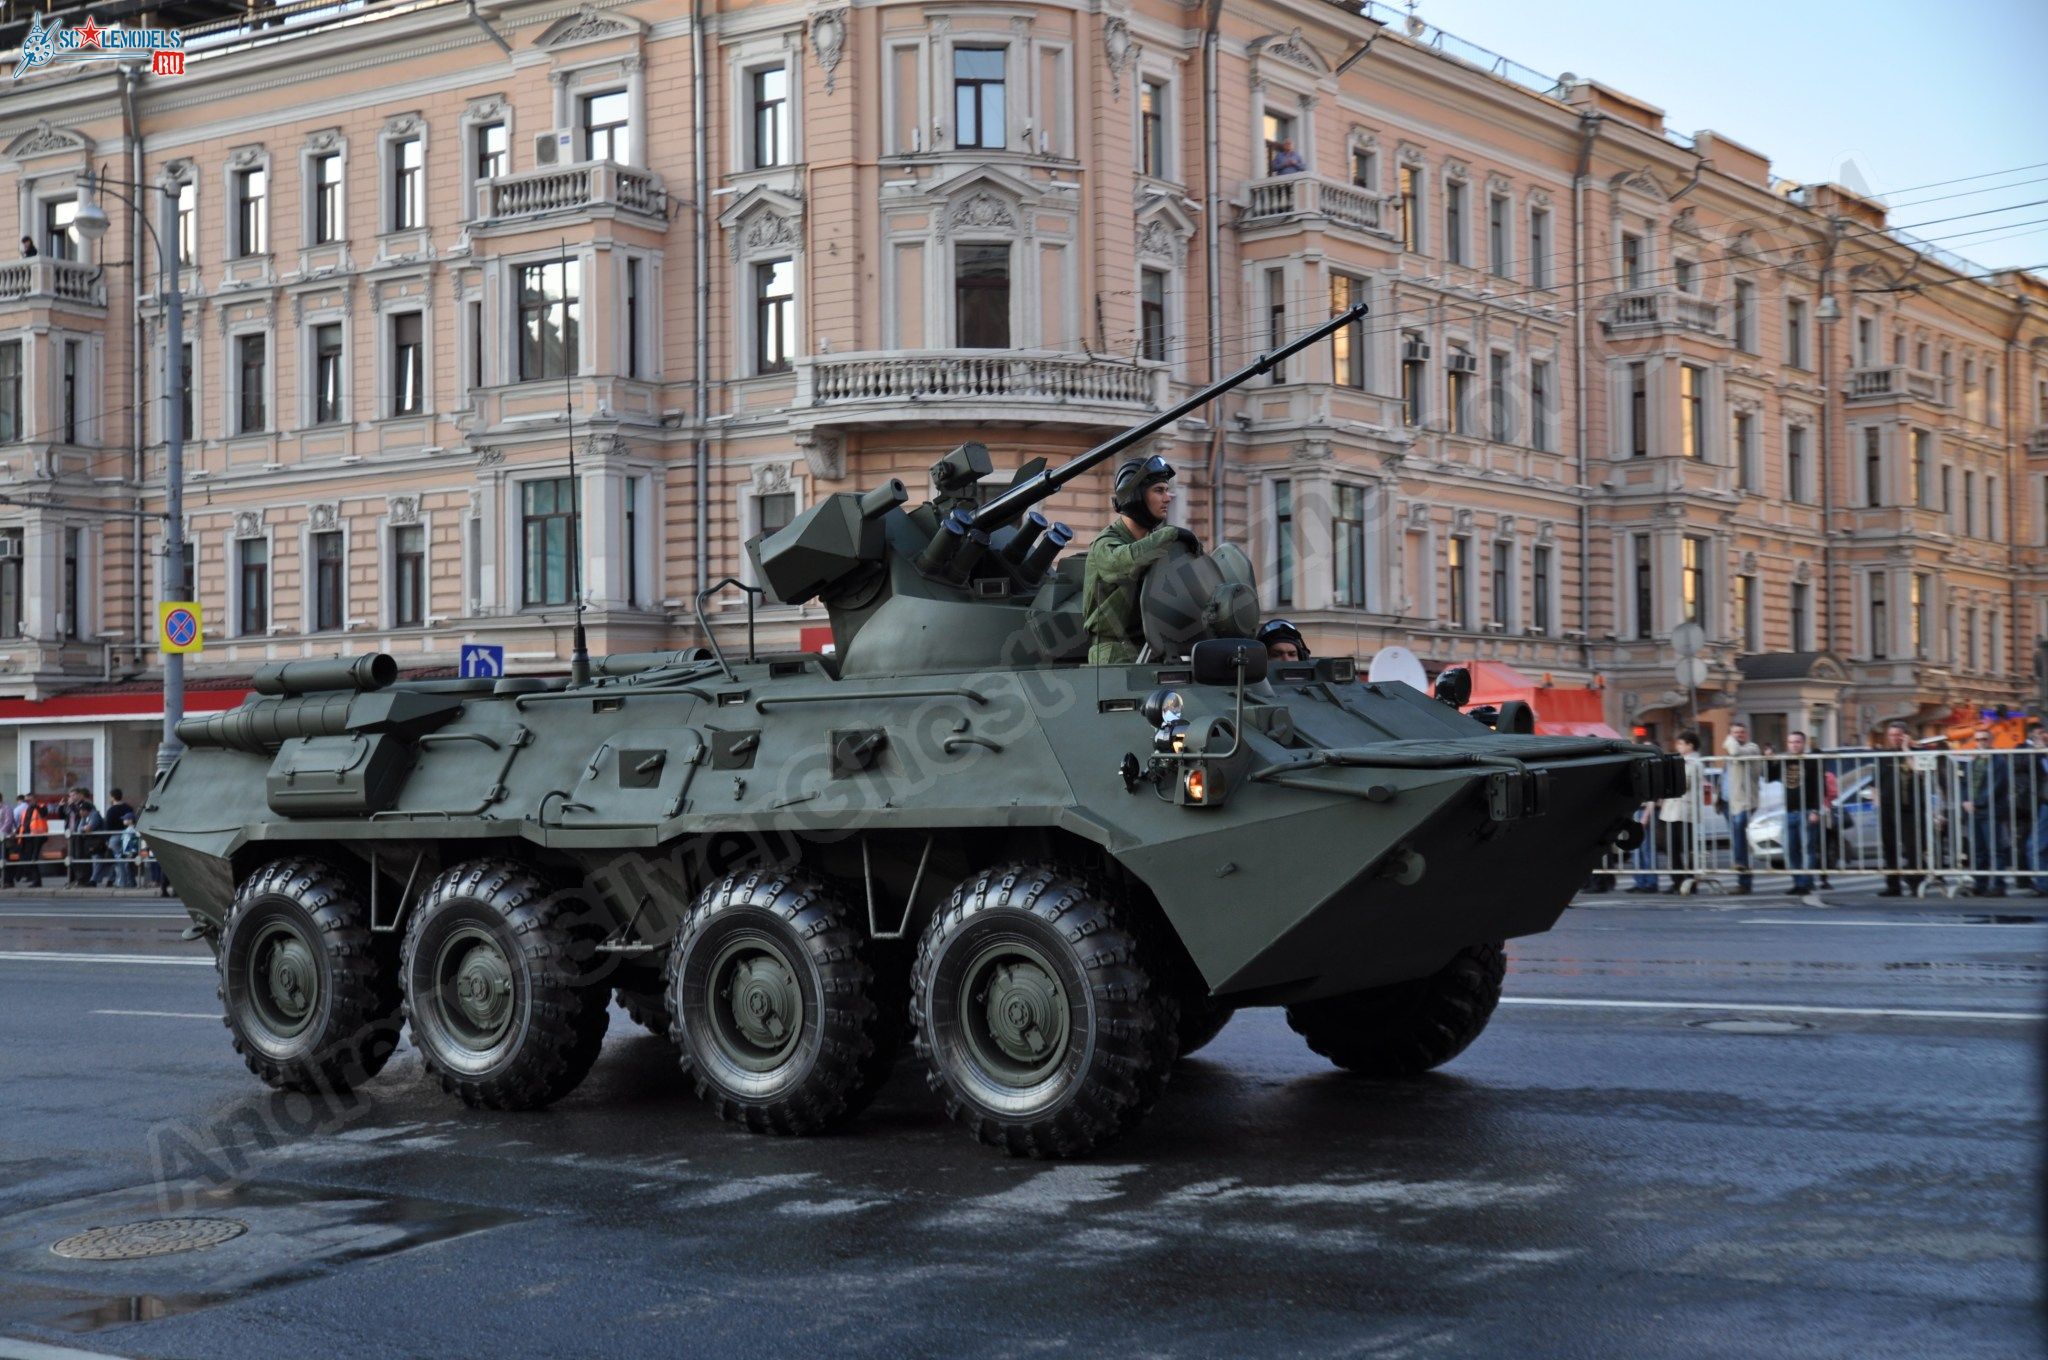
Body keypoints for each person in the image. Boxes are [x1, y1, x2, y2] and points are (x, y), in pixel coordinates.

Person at [1081, 454, 1198, 665]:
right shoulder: (1105, 544)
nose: (1168, 497)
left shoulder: (1155, 547)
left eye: (1167, 490)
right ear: (1135, 496)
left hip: (1154, 650)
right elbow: (1124, 562)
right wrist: (1170, 534)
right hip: (1113, 656)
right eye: (1159, 490)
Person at [1768, 731, 1825, 895]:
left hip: (1807, 810)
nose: (1794, 745)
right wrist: (1769, 759)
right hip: (1789, 811)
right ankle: (1798, 882)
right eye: (1791, 742)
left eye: (1797, 742)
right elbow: (1768, 776)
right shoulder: (1784, 761)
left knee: (1808, 848)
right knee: (1790, 848)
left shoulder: (1811, 762)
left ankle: (1807, 883)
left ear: (1804, 744)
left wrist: (1815, 810)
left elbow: (1819, 786)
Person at [1960, 728, 2014, 897]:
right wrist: (1965, 800)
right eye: (1978, 739)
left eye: (1984, 738)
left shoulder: (1998, 760)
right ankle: (1980, 884)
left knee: (1995, 849)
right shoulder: (1973, 759)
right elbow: (1964, 782)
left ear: (1991, 740)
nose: (1981, 742)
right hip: (1975, 810)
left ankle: (1999, 885)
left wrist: (1976, 802)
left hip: (1991, 810)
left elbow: (1996, 786)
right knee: (1978, 850)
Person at [1875, 722, 1924, 897]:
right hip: (1888, 807)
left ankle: (1915, 885)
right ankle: (1893, 885)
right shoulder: (1884, 755)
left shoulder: (1916, 753)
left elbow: (1919, 772)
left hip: (1910, 808)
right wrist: (1876, 798)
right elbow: (1876, 781)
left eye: (1898, 734)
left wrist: (1906, 749)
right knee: (1889, 847)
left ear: (1905, 735)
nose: (1894, 738)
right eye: (1891, 735)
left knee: (1912, 848)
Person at [1656, 731, 1701, 893]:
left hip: (1685, 812)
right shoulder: (1678, 761)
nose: (1678, 747)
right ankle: (1677, 880)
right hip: (1671, 811)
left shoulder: (1694, 762)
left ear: (1690, 745)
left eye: (1681, 744)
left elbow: (1684, 782)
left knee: (1685, 848)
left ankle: (1688, 881)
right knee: (1670, 847)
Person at [1721, 721, 1762, 895]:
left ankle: (1742, 868)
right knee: (1738, 839)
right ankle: (1743, 881)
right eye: (1735, 733)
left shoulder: (1752, 748)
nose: (1738, 735)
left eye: (1741, 732)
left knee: (1739, 831)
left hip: (1744, 801)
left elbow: (1736, 751)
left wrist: (1729, 739)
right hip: (1727, 801)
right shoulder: (1730, 749)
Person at [2023, 722, 2048, 896]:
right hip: (2043, 803)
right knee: (2035, 845)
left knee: (2035, 845)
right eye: (2039, 734)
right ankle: (2042, 883)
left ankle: (2042, 883)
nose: (2042, 737)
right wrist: (2037, 751)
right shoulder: (2027, 751)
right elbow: (2022, 766)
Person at [97, 788, 137, 889]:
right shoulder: (128, 808)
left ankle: (122, 882)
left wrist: (106, 840)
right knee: (128, 860)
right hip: (128, 835)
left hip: (114, 837)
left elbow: (107, 826)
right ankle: (131, 881)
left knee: (119, 861)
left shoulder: (111, 810)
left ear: (112, 797)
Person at [65, 788, 103, 888]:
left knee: (83, 858)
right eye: (70, 796)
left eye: (73, 795)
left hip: (91, 840)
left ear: (79, 795)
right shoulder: (74, 808)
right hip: (73, 835)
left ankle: (85, 879)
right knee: (73, 857)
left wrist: (83, 828)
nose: (71, 797)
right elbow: (79, 827)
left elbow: (88, 826)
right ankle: (74, 879)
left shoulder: (88, 808)